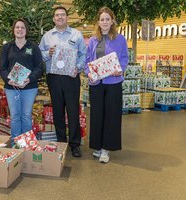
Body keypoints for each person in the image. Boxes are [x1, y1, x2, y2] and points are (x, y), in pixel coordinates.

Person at [39, 6, 86, 157]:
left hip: (71, 77)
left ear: (67, 18)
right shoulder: (47, 36)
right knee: (58, 111)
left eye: (63, 15)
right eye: (57, 15)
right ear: (53, 19)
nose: (60, 17)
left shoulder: (76, 34)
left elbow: (83, 55)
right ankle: (61, 142)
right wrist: (48, 53)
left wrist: (78, 68)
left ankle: (74, 144)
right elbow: (39, 55)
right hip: (54, 78)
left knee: (73, 111)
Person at [85, 7, 128, 163]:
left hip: (113, 83)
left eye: (107, 19)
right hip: (96, 83)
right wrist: (88, 73)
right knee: (96, 114)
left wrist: (120, 70)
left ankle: (106, 149)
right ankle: (97, 146)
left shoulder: (120, 39)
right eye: (102, 19)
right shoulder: (92, 40)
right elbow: (87, 61)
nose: (104, 22)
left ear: (112, 21)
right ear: (98, 22)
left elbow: (124, 59)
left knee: (111, 115)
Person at [0, 18, 43, 143]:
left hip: (29, 87)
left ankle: (27, 144)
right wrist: (9, 80)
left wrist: (29, 79)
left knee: (26, 116)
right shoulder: (7, 47)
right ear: (13, 30)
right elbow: (3, 68)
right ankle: (16, 144)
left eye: (22, 27)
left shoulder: (33, 47)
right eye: (17, 27)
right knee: (14, 117)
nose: (19, 30)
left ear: (26, 30)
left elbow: (39, 67)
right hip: (11, 88)